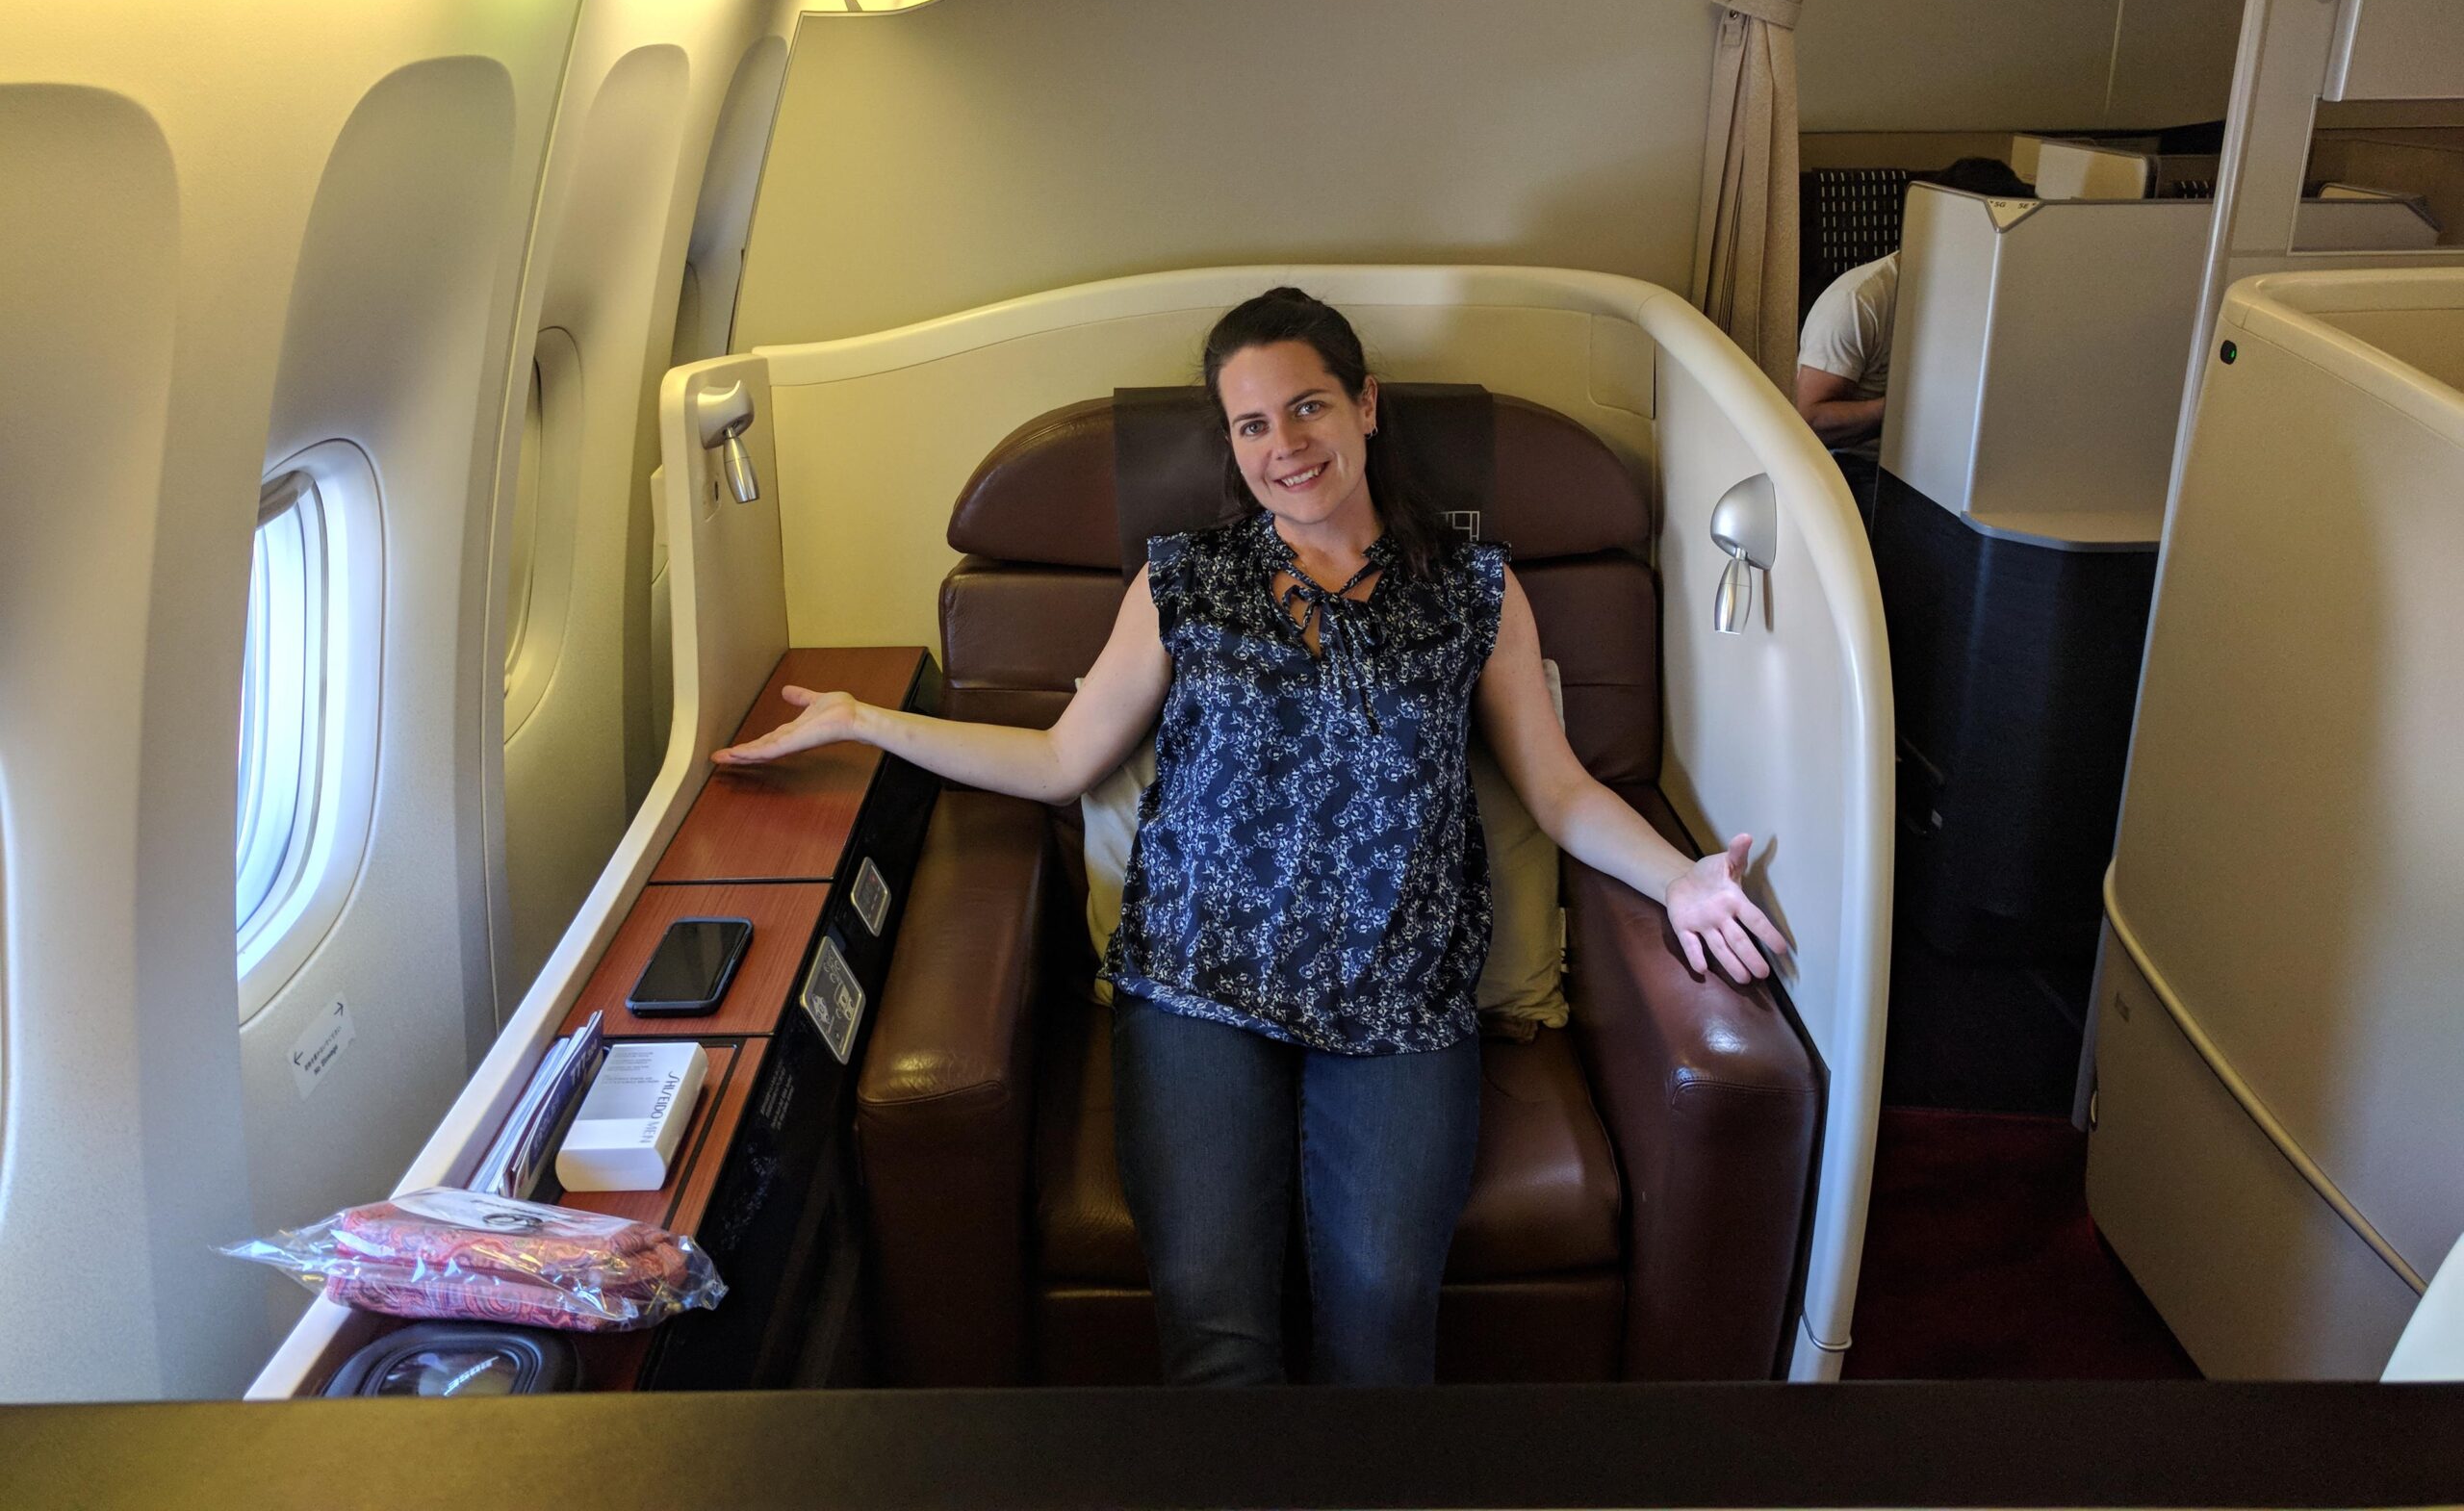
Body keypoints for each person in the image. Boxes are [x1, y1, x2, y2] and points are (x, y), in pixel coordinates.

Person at [711, 287, 1786, 1387]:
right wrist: (867, 723)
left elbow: (1558, 791)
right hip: (1195, 989)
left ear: (1366, 406)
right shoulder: (1182, 579)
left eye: (1309, 407)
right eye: (1253, 424)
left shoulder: (1475, 589)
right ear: (1231, 443)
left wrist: (1684, 882)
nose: (1287, 446)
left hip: (1398, 998)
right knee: (1217, 1338)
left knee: (1381, 1333)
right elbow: (1059, 761)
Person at [1794, 157, 2035, 457]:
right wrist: (1908, 407)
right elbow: (1811, 420)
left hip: (1959, 451)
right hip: (1866, 464)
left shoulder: (2003, 287)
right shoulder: (1859, 300)